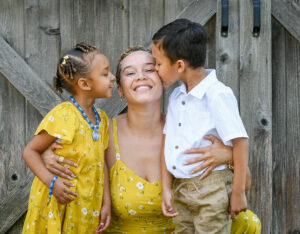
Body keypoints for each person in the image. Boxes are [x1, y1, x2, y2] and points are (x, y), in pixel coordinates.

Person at [41, 46, 261, 233]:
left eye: (149, 69)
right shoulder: (102, 131)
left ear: (164, 80)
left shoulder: (191, 129)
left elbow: (245, 185)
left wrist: (229, 156)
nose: (141, 76)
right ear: (119, 89)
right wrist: (48, 155)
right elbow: (64, 152)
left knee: (248, 222)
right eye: (130, 73)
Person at [152, 18, 251, 233]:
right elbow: (168, 142)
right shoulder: (177, 97)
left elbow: (241, 142)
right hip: (182, 190)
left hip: (211, 188)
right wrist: (167, 187)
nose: (156, 70)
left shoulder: (217, 95)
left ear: (179, 65)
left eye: (158, 64)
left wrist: (238, 192)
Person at [22, 43, 115, 233]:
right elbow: (30, 151)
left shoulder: (102, 120)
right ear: (85, 84)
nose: (113, 77)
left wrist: (106, 203)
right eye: (105, 74)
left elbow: (102, 163)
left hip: (85, 205)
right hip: (58, 202)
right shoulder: (65, 115)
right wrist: (52, 182)